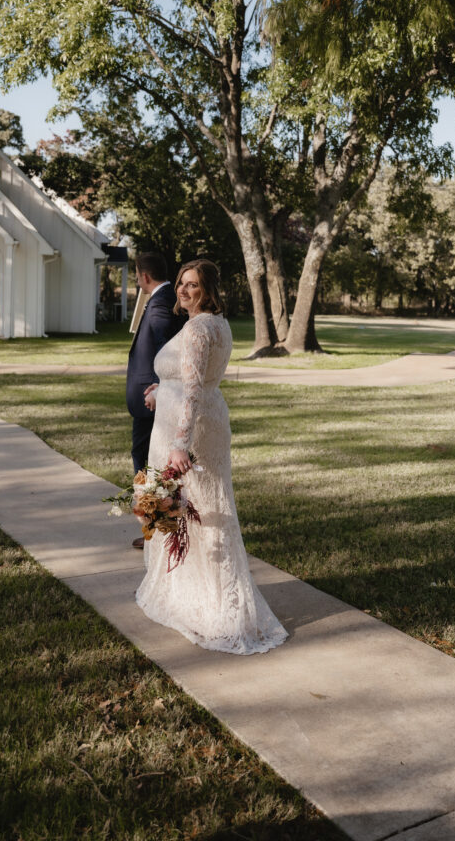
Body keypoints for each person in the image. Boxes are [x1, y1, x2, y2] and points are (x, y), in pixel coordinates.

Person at [136, 258, 288, 655]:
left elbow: (192, 391)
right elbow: (192, 381)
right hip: (194, 421)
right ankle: (187, 590)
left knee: (198, 511)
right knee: (195, 510)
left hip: (187, 432)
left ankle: (213, 606)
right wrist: (158, 390)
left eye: (194, 285)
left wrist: (179, 446)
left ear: (209, 291)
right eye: (183, 284)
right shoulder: (213, 324)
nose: (185, 290)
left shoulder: (201, 327)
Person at [126, 253, 186, 547]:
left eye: (137, 275)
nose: (137, 280)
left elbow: (169, 349)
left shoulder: (161, 303)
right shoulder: (162, 299)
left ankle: (155, 530)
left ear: (144, 276)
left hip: (152, 400)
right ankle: (157, 527)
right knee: (150, 462)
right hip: (152, 398)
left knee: (149, 463)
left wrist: (159, 388)